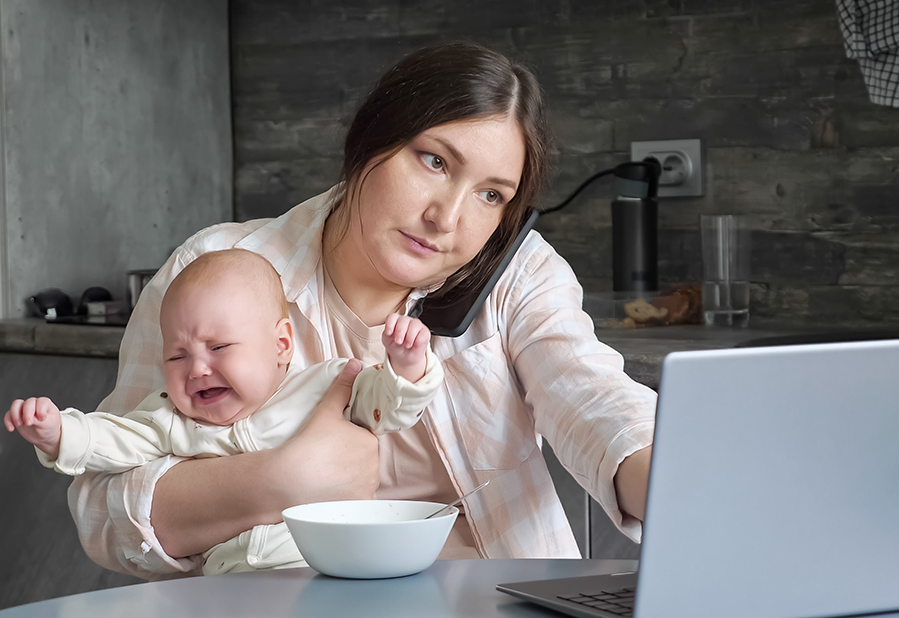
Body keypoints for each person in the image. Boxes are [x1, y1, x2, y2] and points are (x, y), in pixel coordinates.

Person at [67, 40, 658, 578]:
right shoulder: (215, 269)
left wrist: (669, 480)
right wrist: (278, 482)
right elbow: (103, 511)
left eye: (491, 195)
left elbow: (592, 397)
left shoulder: (519, 272)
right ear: (371, 139)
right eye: (434, 161)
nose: (447, 218)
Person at [6, 249, 441, 574]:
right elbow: (114, 437)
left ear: (281, 346)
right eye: (176, 356)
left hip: (338, 571)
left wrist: (407, 367)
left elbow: (390, 406)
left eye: (219, 348)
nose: (197, 369)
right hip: (231, 587)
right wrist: (59, 432)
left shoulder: (326, 385)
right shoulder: (171, 419)